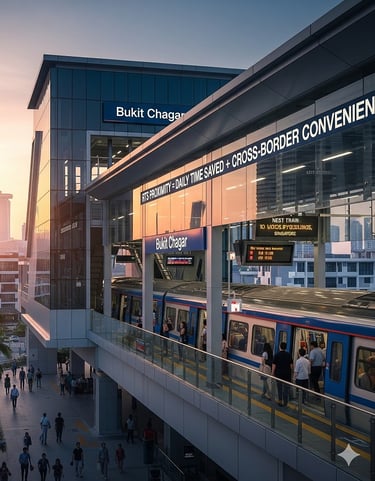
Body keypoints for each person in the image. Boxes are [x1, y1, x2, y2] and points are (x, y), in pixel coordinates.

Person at [272, 342, 293, 407]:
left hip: (279, 374)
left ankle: (280, 401)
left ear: (280, 347)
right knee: (286, 388)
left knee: (280, 388)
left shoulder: (277, 355)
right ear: (285, 347)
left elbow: (274, 365)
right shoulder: (289, 355)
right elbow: (291, 366)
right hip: (287, 374)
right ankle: (285, 402)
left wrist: (272, 373)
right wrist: (291, 374)